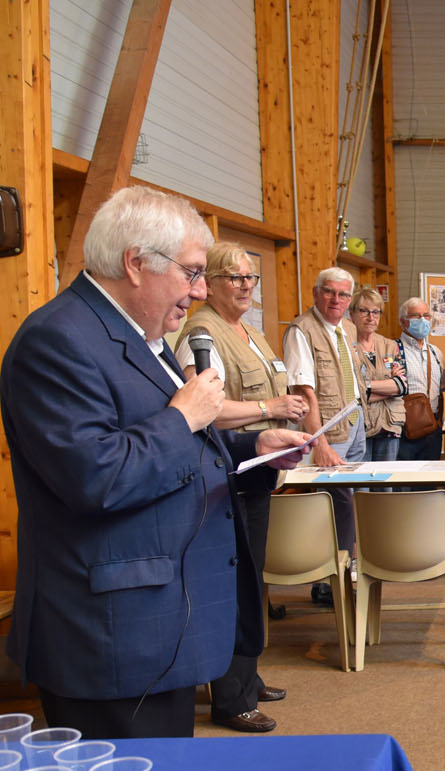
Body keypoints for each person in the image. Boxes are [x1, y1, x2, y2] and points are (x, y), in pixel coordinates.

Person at [0, 186, 309, 739]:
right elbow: (95, 477)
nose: (199, 291)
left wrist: (252, 449)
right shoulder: (57, 340)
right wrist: (183, 417)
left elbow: (175, 450)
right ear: (135, 263)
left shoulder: (141, 334)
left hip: (161, 621)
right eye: (192, 273)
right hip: (111, 634)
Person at [172, 240, 308, 732]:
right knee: (230, 582)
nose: (246, 285)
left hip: (259, 471)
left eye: (250, 277)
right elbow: (205, 408)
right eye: (234, 277)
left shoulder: (250, 332)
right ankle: (231, 697)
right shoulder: (201, 333)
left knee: (251, 578)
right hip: (228, 473)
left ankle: (247, 676)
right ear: (207, 283)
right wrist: (270, 408)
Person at [283, 266, 365, 603]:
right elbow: (303, 391)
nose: (336, 299)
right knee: (334, 503)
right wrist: (320, 442)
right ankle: (326, 582)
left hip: (355, 423)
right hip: (329, 429)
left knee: (349, 501)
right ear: (316, 293)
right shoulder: (301, 330)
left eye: (343, 294)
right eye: (329, 292)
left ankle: (346, 568)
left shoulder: (347, 327)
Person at [349, 287, 407, 465]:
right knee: (361, 479)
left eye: (375, 312)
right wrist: (388, 386)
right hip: (361, 427)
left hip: (389, 424)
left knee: (386, 479)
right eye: (364, 311)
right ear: (351, 314)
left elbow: (401, 386)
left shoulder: (390, 346)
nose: (370, 317)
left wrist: (365, 387)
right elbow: (350, 391)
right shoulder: (347, 346)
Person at [394, 297, 445, 463]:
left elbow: (442, 390)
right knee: (403, 478)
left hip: (432, 428)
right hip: (404, 429)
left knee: (430, 476)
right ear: (403, 321)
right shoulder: (392, 350)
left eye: (426, 316)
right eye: (416, 316)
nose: (423, 320)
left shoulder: (436, 353)